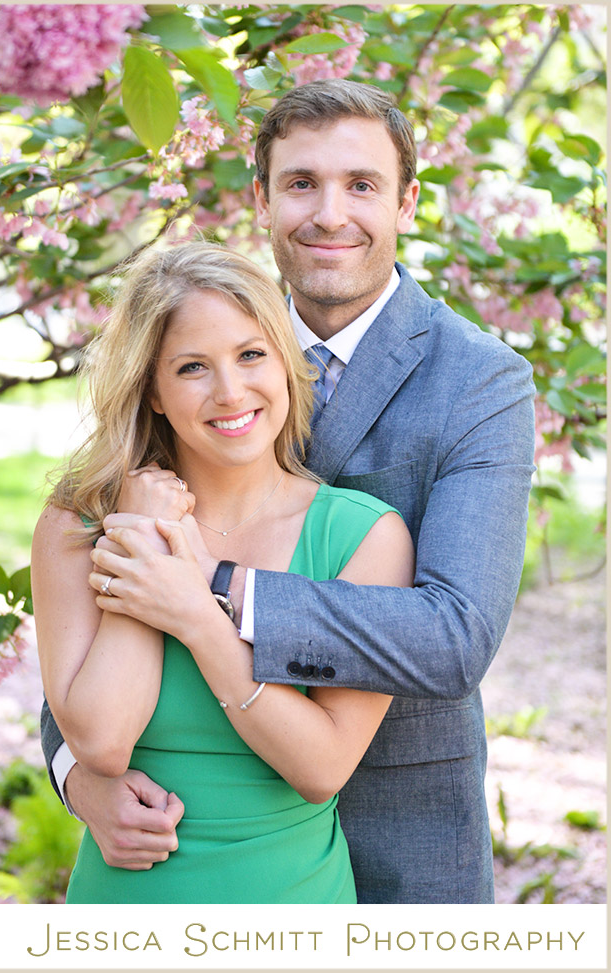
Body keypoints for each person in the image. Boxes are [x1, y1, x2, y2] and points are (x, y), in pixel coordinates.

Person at [40, 79, 536, 903]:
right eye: (301, 183)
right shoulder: (211, 344)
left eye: (363, 185)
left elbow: (454, 636)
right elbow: (90, 599)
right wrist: (77, 775)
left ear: (408, 200)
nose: (330, 214)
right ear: (261, 197)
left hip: (399, 836)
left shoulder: (480, 382)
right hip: (170, 838)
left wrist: (206, 585)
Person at [34, 241, 414, 902]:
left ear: (284, 361)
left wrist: (192, 611)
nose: (231, 391)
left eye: (250, 354)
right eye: (191, 368)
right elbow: (99, 741)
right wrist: (144, 541)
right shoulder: (78, 524)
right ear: (151, 389)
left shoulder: (364, 535)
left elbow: (322, 766)